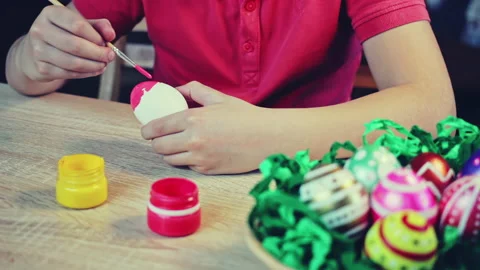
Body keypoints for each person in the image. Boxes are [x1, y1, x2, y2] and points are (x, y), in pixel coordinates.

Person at [5, 0, 456, 175]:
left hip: (317, 179)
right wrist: (33, 55)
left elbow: (434, 108)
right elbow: (23, 73)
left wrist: (263, 138)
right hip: (166, 170)